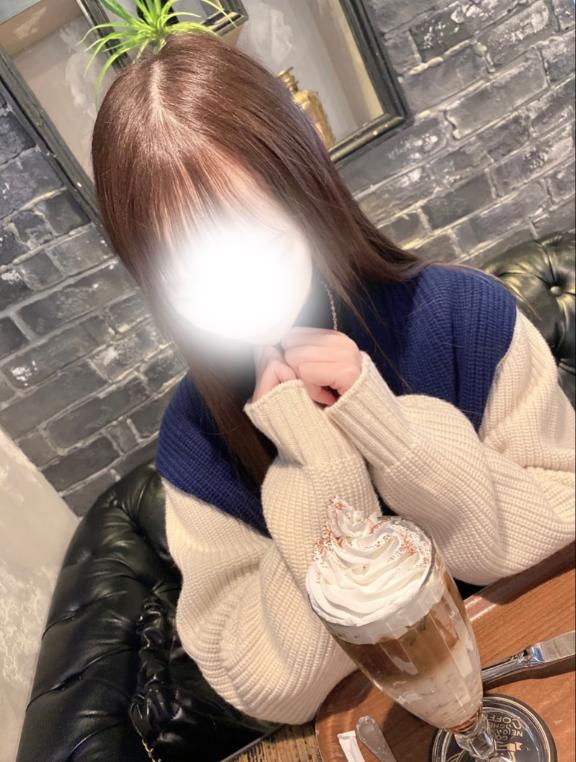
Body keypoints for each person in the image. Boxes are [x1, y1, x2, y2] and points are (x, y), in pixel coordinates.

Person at [91, 31, 575, 725]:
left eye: (253, 243)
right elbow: (269, 687)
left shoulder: (462, 317)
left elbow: (560, 517)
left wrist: (391, 432)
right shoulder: (196, 435)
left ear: (308, 196)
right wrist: (315, 469)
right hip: (391, 721)